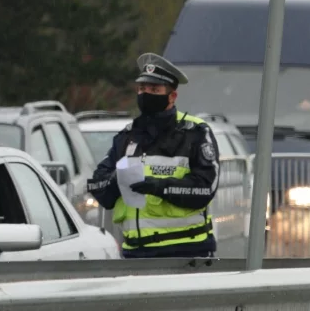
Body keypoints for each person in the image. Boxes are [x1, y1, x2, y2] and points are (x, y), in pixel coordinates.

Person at [87, 52, 220, 258]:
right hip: (135, 254)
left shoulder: (195, 133)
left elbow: (205, 189)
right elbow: (97, 186)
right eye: (142, 89)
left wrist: (158, 186)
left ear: (172, 96)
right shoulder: (126, 136)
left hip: (186, 253)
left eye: (154, 89)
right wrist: (115, 181)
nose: (146, 94)